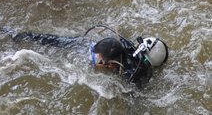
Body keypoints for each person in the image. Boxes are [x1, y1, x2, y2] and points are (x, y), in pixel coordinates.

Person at [12, 25, 169, 87]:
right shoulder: (102, 50)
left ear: (111, 65)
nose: (92, 58)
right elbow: (57, 41)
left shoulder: (131, 76)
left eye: (97, 59)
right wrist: (25, 36)